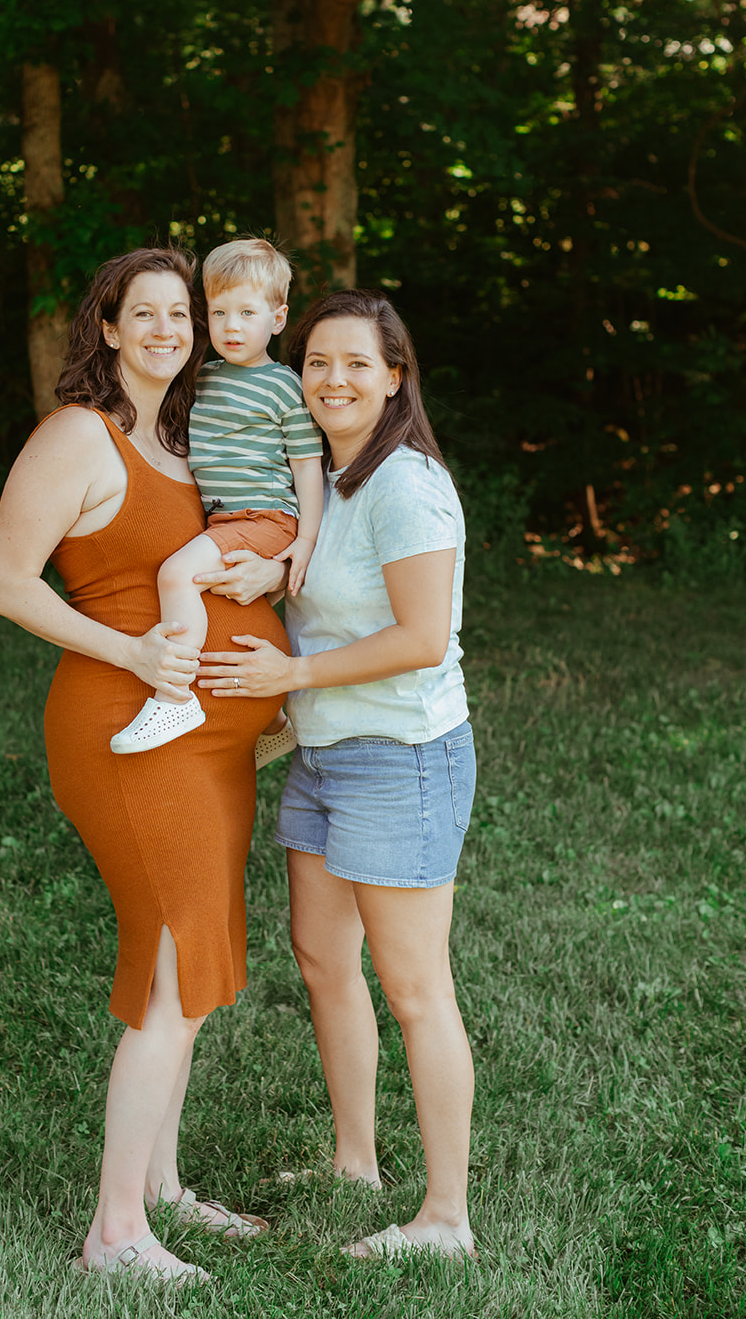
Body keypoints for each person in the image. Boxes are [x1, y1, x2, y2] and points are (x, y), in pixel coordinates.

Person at [0, 247, 287, 1285]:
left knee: (185, 966)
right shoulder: (80, 434)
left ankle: (158, 1184)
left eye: (178, 313)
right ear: (104, 329)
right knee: (169, 966)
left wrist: (270, 566)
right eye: (141, 313)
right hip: (125, 727)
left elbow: (247, 537)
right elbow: (6, 582)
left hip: (208, 739)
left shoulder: (186, 437)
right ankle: (113, 1233)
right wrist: (131, 651)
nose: (165, 328)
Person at [198, 288, 477, 1262]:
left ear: (394, 376)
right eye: (316, 360)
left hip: (399, 756)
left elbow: (418, 636)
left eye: (356, 362)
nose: (333, 378)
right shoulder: (326, 477)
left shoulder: (405, 485)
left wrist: (292, 674)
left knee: (414, 987)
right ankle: (353, 1159)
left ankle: (445, 1217)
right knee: (320, 958)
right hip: (323, 751)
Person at [110, 238, 323, 757]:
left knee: (176, 575)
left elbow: (307, 467)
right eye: (220, 312)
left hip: (265, 516)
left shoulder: (284, 387)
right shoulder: (201, 378)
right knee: (223, 604)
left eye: (247, 312)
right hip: (225, 518)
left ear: (277, 318)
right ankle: (273, 721)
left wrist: (306, 540)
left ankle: (173, 696)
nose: (231, 326)